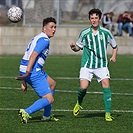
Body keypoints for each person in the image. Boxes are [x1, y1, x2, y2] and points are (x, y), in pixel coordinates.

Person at [70, 8, 118, 122]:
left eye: (96, 18)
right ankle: (79, 102)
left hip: (101, 65)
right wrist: (73, 48)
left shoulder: (106, 33)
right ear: (89, 20)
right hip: (87, 64)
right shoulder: (85, 33)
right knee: (83, 87)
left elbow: (114, 46)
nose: (94, 20)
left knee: (106, 85)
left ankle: (107, 113)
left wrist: (113, 56)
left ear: (100, 19)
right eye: (92, 18)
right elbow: (78, 47)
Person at [16, 17, 59, 124]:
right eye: (51, 27)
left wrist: (24, 79)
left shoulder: (38, 37)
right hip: (33, 70)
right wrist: (27, 74)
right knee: (49, 99)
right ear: (44, 28)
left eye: (55, 27)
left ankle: (46, 116)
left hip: (27, 68)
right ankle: (26, 112)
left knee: (52, 84)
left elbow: (27, 57)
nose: (53, 29)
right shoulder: (44, 40)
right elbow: (33, 56)